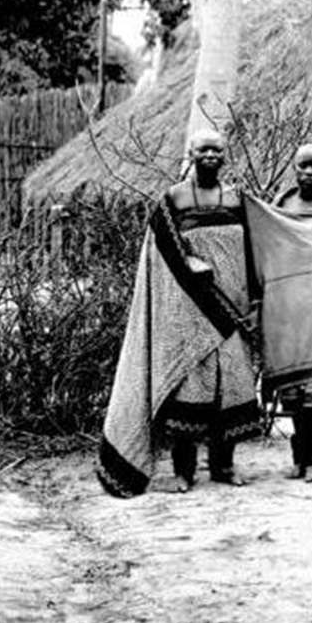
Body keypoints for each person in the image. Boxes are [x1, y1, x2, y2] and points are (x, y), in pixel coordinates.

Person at [96, 129, 260, 497]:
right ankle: (184, 473)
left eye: (217, 150)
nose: (210, 155)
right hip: (189, 310)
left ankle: (223, 466)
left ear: (225, 155)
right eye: (204, 149)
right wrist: (188, 262)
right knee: (190, 389)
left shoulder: (237, 198)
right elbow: (160, 251)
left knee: (230, 387)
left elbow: (254, 252)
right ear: (191, 152)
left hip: (232, 310)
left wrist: (254, 304)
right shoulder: (173, 199)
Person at [245, 144, 312, 483]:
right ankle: (298, 459)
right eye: (303, 166)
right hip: (288, 307)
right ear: (294, 168)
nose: (309, 173)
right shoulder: (280, 208)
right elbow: (267, 248)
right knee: (293, 390)